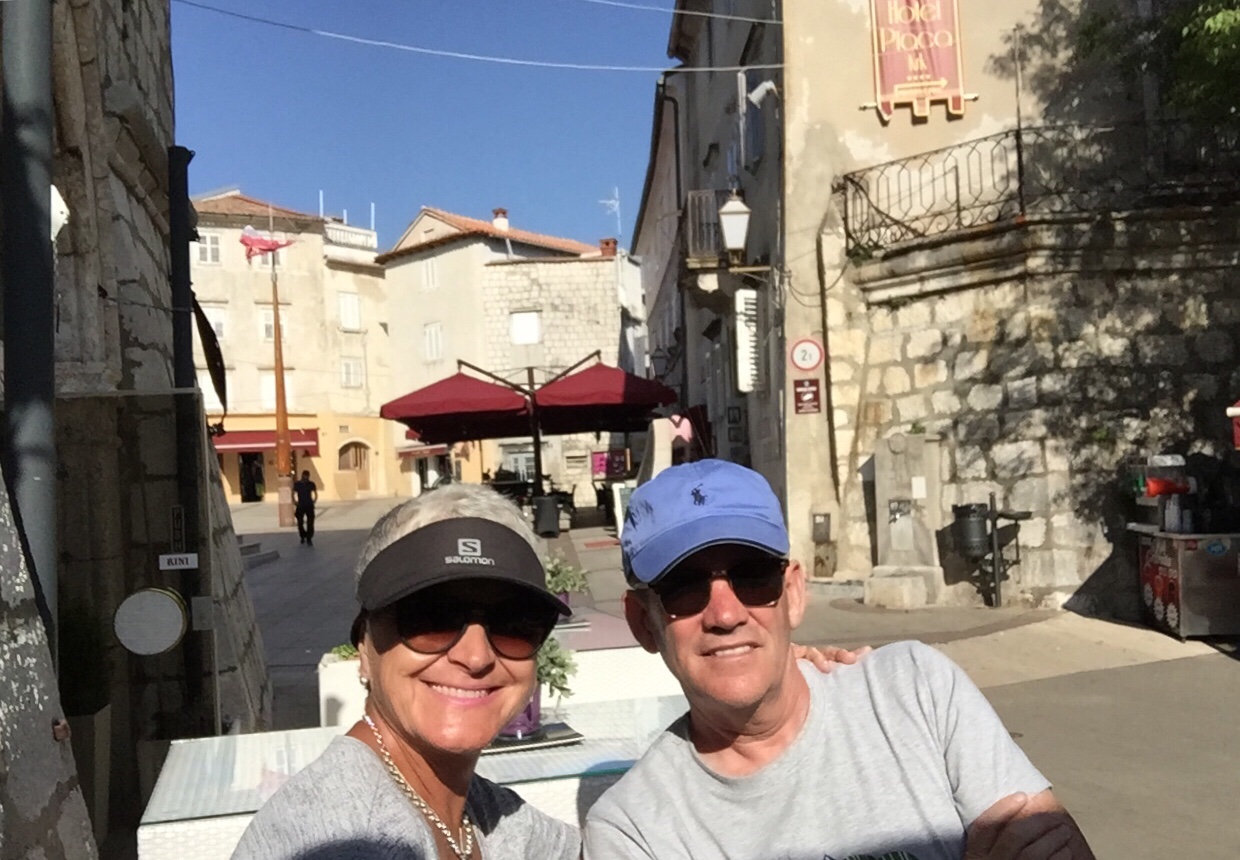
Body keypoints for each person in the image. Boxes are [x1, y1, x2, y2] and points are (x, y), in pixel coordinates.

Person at [583, 459, 1095, 860]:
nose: (726, 613)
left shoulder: (915, 691)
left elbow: (1056, 847)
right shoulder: (633, 831)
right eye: (683, 586)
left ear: (793, 593)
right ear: (643, 622)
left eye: (753, 576)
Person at [234, 484, 581, 859]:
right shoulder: (353, 839)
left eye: (515, 622)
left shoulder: (475, 808)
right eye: (432, 617)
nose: (476, 656)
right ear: (364, 646)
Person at [294, 469, 317, 546]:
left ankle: (309, 537)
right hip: (301, 505)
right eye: (305, 476)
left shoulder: (311, 484)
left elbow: (315, 493)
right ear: (302, 476)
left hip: (309, 505)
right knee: (300, 522)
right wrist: (295, 501)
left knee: (310, 522)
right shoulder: (297, 484)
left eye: (307, 476)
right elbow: (293, 493)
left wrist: (314, 500)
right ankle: (302, 536)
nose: (306, 478)